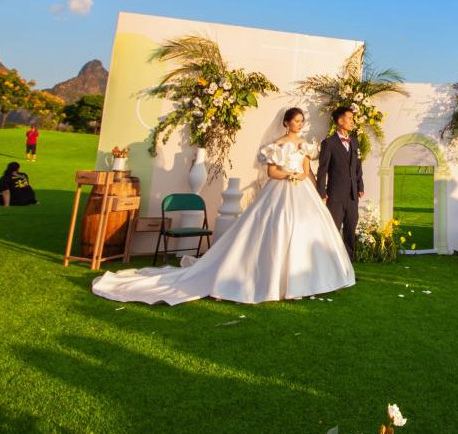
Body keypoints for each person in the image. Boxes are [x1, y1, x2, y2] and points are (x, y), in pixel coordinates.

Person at [92, 107, 355, 305]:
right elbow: (272, 173)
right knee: (277, 229)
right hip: (280, 190)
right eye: (295, 120)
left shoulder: (305, 145)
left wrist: (310, 184)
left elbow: (308, 170)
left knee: (307, 229)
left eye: (301, 121)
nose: (299, 124)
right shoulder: (276, 146)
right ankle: (274, 279)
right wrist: (288, 175)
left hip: (303, 191)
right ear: (286, 122)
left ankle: (309, 278)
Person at [316, 106, 364, 261]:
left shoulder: (355, 142)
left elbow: (358, 167)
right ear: (340, 121)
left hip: (352, 196)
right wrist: (321, 192)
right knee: (333, 230)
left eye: (352, 119)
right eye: (349, 118)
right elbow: (322, 170)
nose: (352, 122)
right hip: (335, 196)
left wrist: (360, 186)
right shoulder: (328, 143)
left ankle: (349, 264)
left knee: (351, 229)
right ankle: (331, 262)